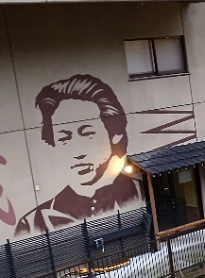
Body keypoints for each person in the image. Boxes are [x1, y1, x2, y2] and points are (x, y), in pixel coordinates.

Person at [15, 75, 142, 236]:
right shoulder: (33, 223)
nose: (77, 153)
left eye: (87, 133)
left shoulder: (140, 191)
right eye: (64, 139)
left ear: (115, 134)